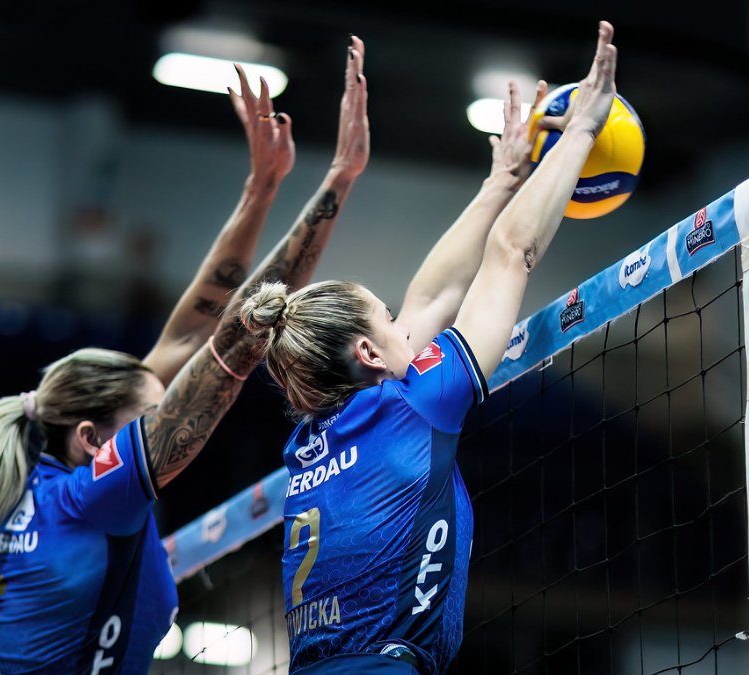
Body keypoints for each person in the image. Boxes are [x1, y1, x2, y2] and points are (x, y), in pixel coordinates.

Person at [0, 37, 370, 675]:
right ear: (93, 439)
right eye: (147, 417)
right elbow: (224, 344)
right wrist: (334, 187)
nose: (163, 413)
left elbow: (192, 332)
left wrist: (265, 189)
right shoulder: (90, 498)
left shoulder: (36, 492)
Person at [239, 22, 618, 674]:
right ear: (369, 353)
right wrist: (581, 132)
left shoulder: (312, 437)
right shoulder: (413, 404)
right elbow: (512, 253)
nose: (402, 319)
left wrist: (502, 178)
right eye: (387, 316)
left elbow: (432, 294)